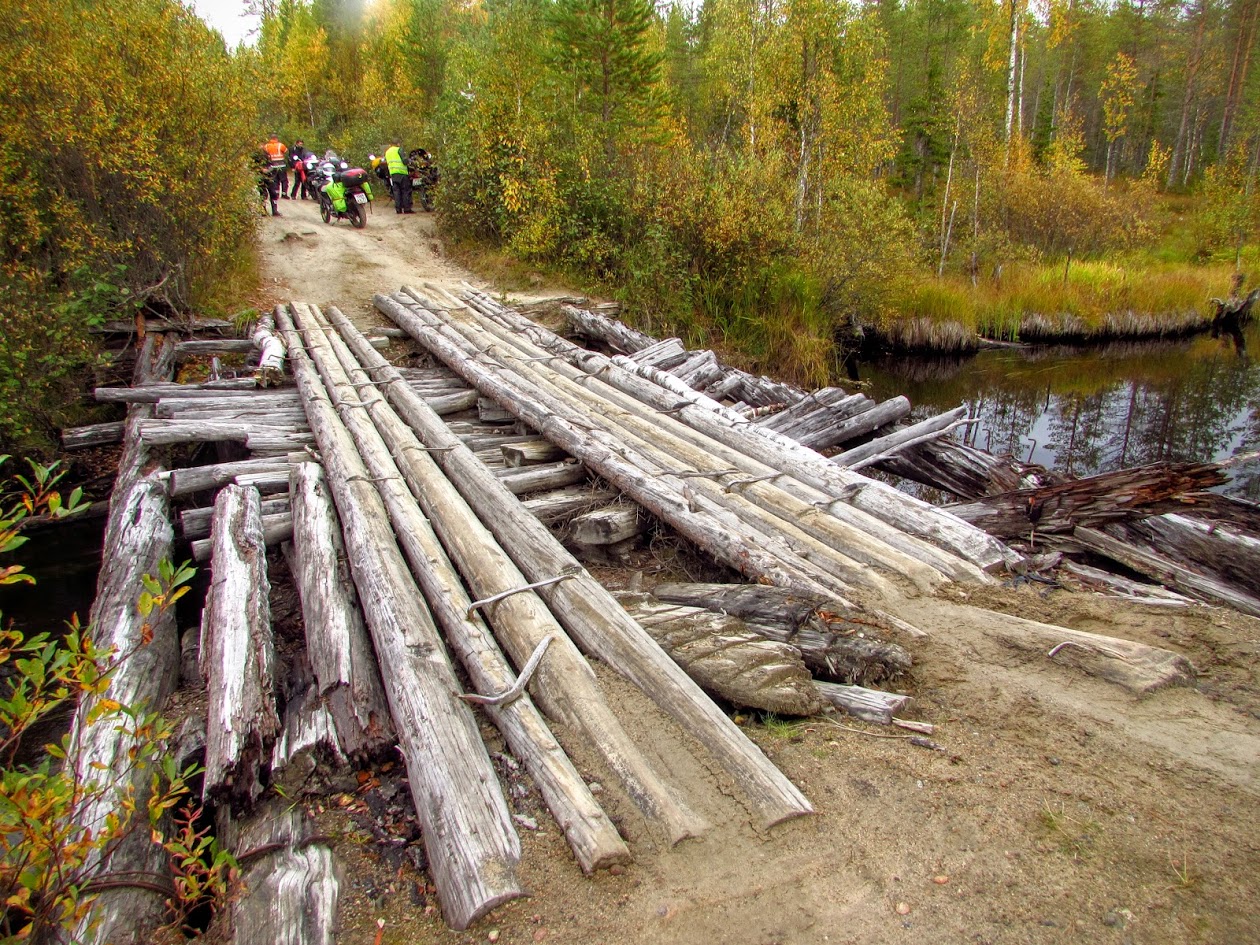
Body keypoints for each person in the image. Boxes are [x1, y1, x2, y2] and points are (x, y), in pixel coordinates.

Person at [384, 140, 413, 214]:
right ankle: (407, 209)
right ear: (398, 143)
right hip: (402, 173)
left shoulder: (387, 152)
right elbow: (404, 161)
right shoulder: (399, 150)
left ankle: (398, 209)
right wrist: (410, 161)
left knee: (396, 192)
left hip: (393, 174)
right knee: (405, 191)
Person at [253, 146, 281, 216]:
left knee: (273, 193)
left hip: (269, 176)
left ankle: (275, 211)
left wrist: (270, 169)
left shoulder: (267, 153)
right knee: (263, 194)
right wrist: (260, 169)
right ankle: (263, 211)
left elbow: (271, 164)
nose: (261, 146)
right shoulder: (255, 155)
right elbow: (252, 166)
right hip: (260, 176)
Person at [264, 133, 290, 199]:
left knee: (275, 180)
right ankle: (284, 193)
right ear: (276, 138)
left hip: (272, 165)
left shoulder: (266, 146)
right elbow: (286, 151)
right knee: (284, 180)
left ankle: (276, 193)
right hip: (281, 165)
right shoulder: (280, 145)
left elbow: (264, 155)